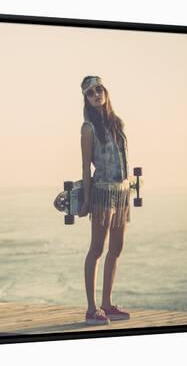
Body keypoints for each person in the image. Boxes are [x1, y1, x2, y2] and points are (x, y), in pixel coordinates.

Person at [78, 76, 132, 326]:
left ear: (106, 92)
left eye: (99, 89)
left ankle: (107, 305)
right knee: (97, 248)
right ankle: (92, 309)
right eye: (91, 92)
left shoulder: (117, 123)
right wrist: (87, 199)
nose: (97, 94)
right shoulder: (88, 128)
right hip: (101, 192)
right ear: (86, 99)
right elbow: (85, 166)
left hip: (122, 192)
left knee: (117, 248)